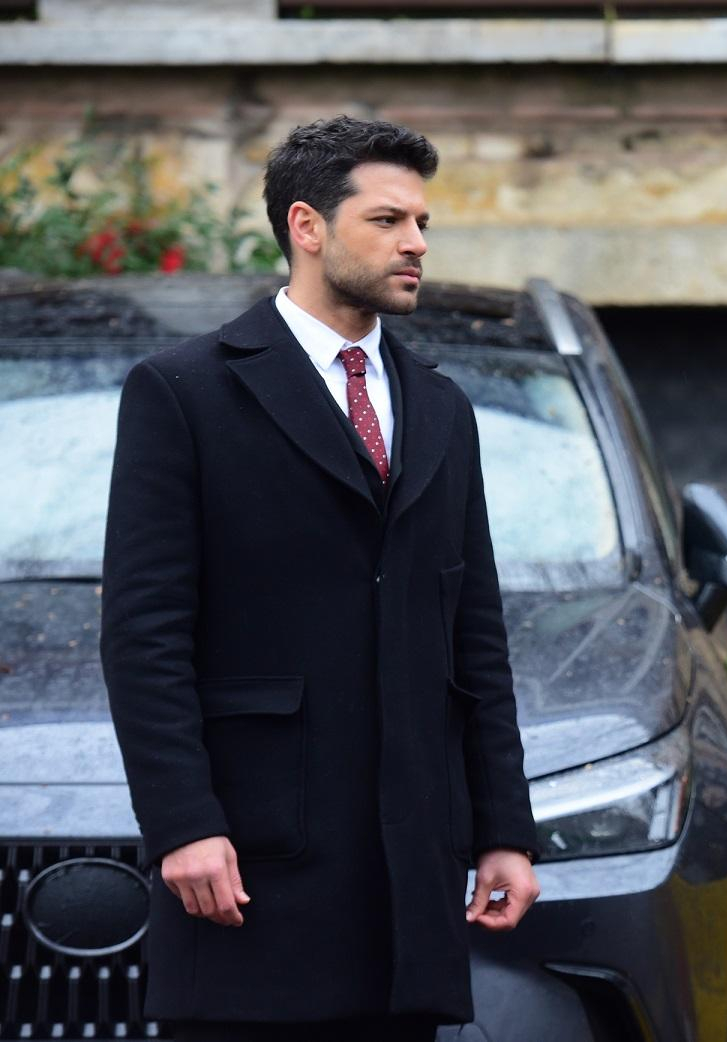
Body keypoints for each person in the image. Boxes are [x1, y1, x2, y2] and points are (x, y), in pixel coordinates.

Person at [101, 116, 541, 1042]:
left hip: (407, 888)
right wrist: (183, 823)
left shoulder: (440, 405)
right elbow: (145, 634)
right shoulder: (184, 391)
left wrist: (504, 829)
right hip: (253, 867)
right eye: (388, 220)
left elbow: (475, 634)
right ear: (307, 226)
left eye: (421, 222)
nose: (416, 243)